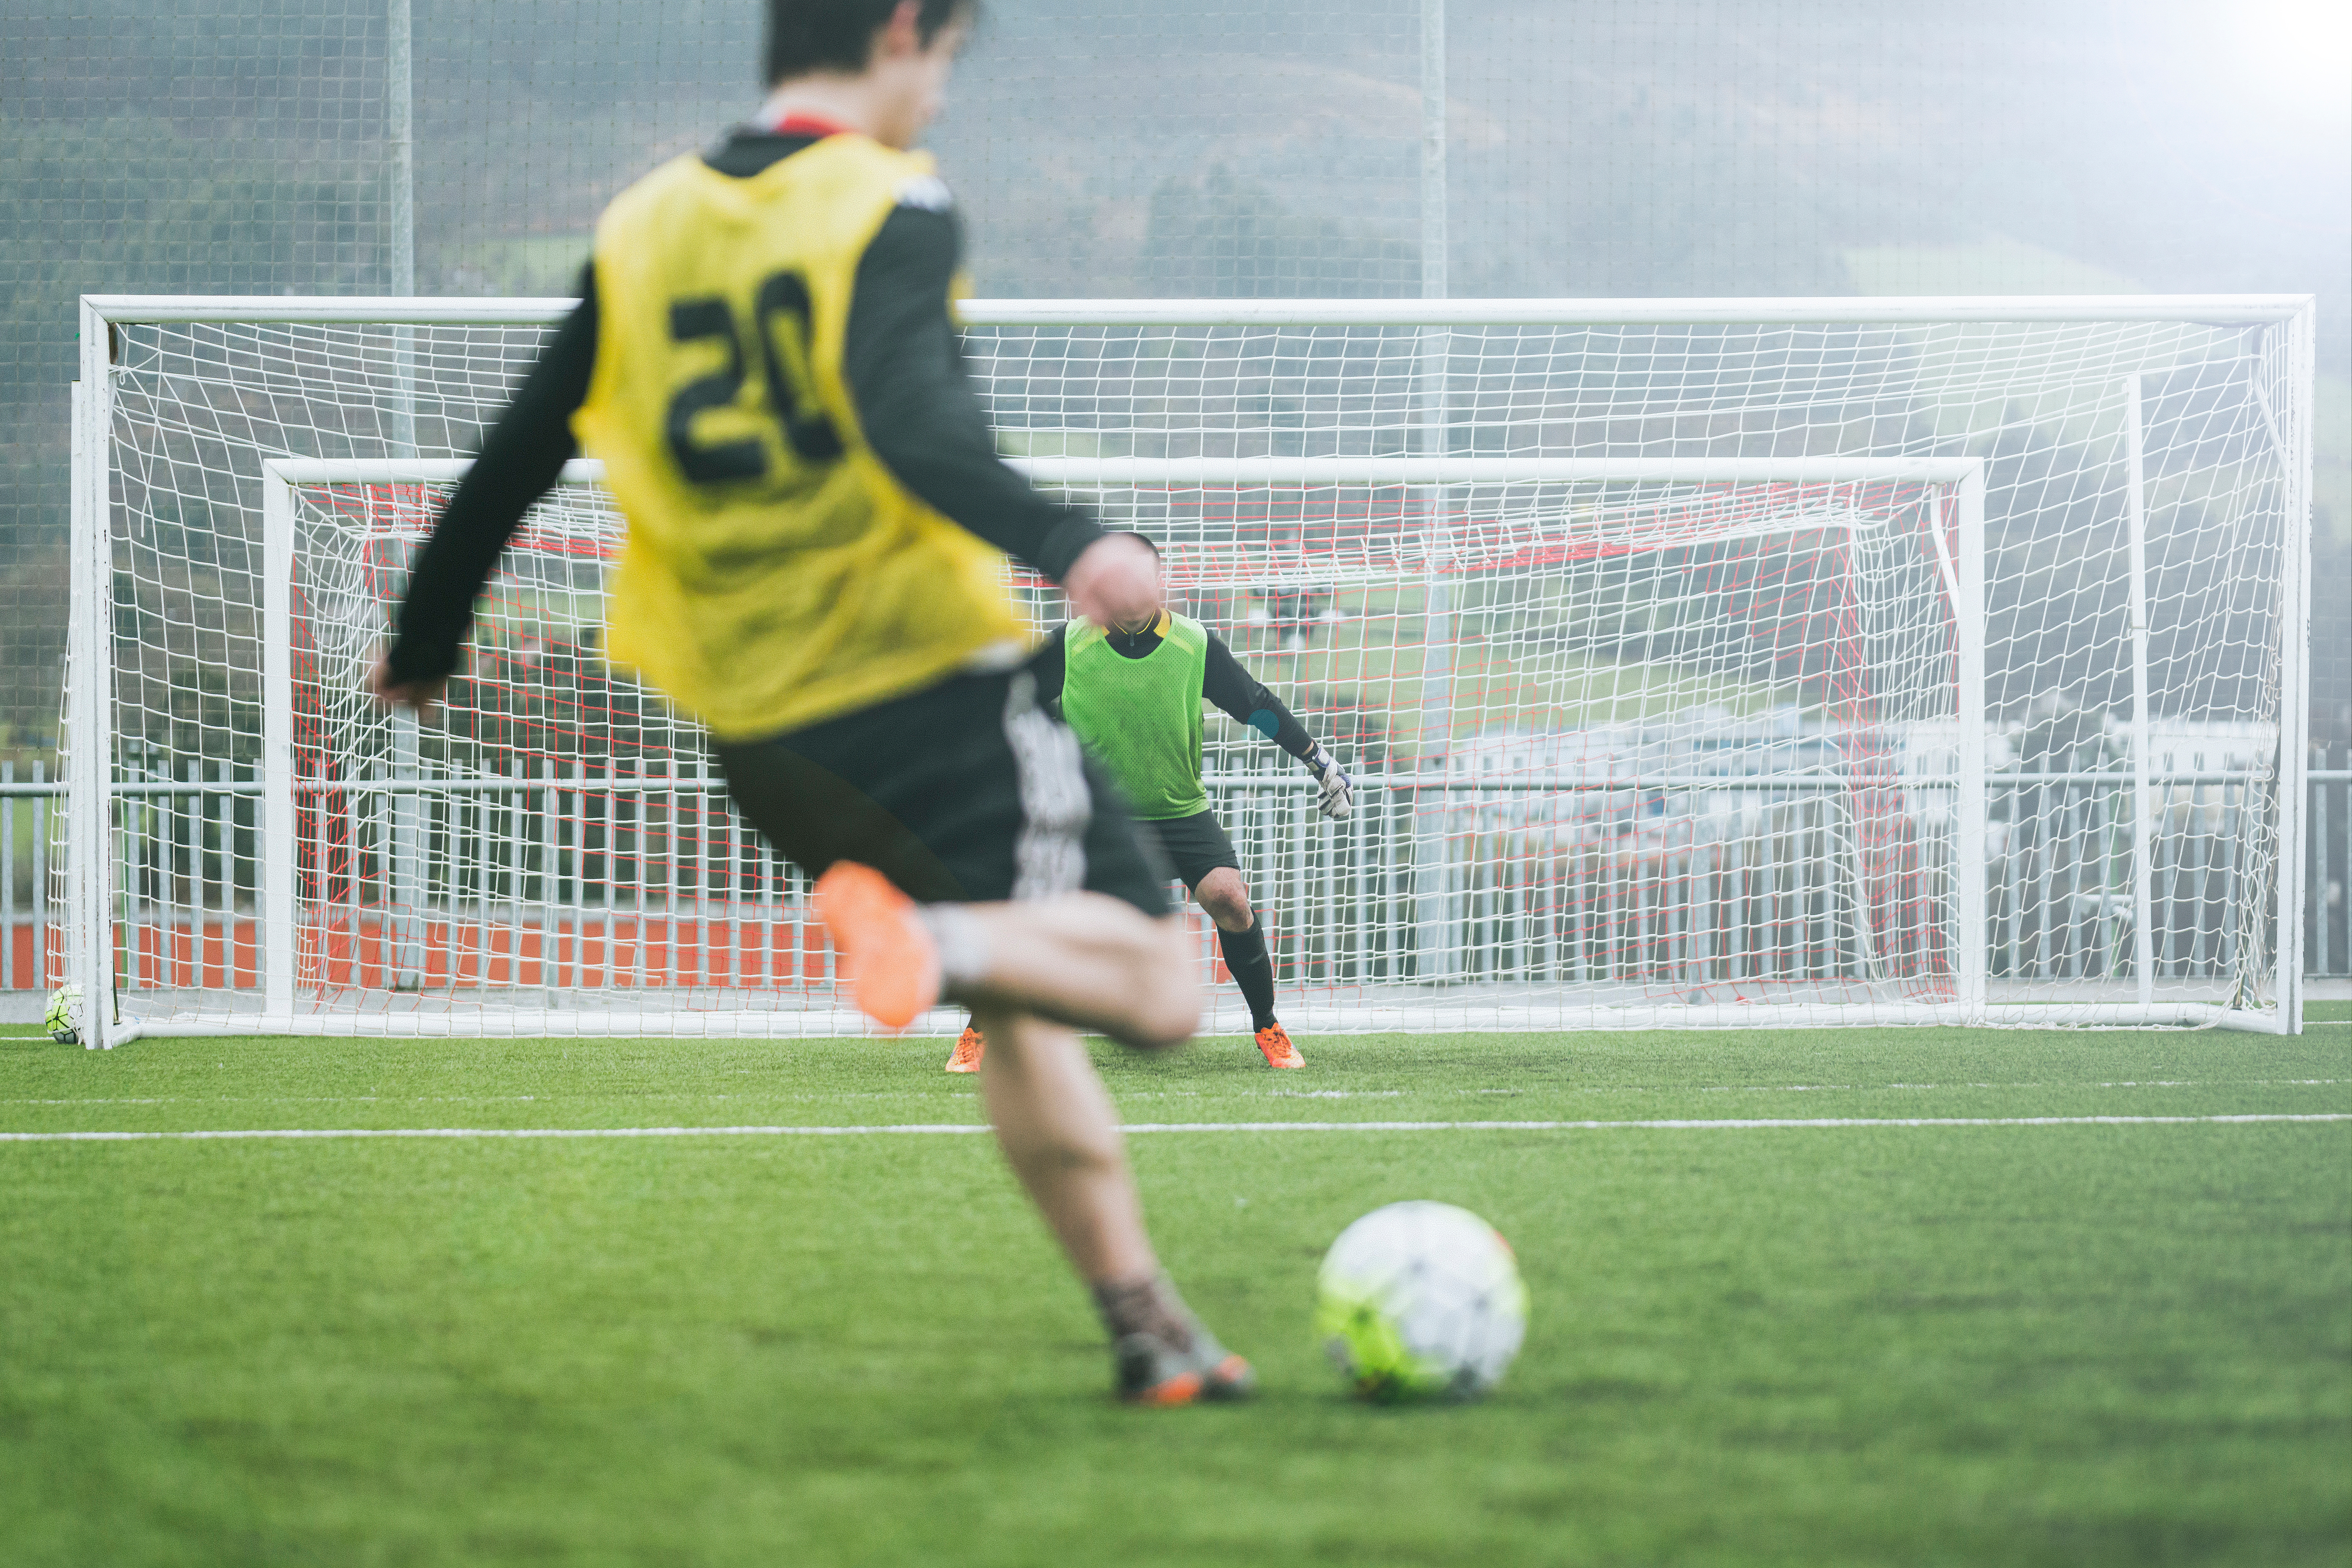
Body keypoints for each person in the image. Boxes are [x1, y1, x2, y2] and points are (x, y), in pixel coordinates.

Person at [367, 0, 1252, 1406]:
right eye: (948, 62)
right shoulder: (891, 199)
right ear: (904, 30)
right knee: (1159, 979)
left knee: (1026, 1002)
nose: (942, 99)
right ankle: (925, 935)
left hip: (757, 728)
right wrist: (1077, 537)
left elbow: (524, 443)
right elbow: (910, 418)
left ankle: (1143, 1318)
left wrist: (425, 634)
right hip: (927, 689)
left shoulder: (645, 217)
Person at [946, 538, 1354, 1073]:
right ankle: (981, 1029)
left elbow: (1255, 706)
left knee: (1231, 899)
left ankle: (1267, 1024)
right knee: (1033, 915)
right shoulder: (1069, 644)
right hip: (1092, 814)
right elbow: (1009, 701)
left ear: (1160, 583)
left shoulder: (1193, 643)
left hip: (1179, 809)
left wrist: (1317, 758)